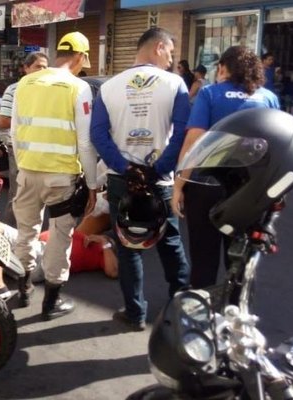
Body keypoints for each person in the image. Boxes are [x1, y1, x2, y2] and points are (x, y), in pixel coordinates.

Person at [90, 27, 191, 331]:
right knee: (171, 242)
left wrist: (125, 167)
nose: (171, 59)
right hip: (160, 181)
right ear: (159, 47)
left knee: (128, 244)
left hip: (123, 180)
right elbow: (183, 132)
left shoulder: (109, 87)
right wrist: (159, 169)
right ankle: (180, 307)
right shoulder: (176, 84)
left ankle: (135, 314)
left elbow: (97, 134)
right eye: (170, 52)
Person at [172, 45, 280, 290]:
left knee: (203, 261)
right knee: (240, 261)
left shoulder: (209, 94)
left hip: (206, 188)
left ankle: (201, 316)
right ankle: (233, 314)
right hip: (249, 192)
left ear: (223, 68)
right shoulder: (269, 98)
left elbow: (194, 141)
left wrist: (179, 185)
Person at [11, 31, 98, 320]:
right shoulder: (78, 87)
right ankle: (52, 302)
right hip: (61, 178)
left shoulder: (25, 83)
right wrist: (92, 184)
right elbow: (84, 142)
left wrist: (25, 164)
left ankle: (23, 289)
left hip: (27, 172)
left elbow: (13, 133)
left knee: (26, 233)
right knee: (60, 238)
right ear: (79, 57)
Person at [0, 52, 49, 226]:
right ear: (26, 68)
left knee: (40, 197)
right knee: (17, 195)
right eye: (38, 66)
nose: (42, 70)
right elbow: (4, 120)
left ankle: (29, 239)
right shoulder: (14, 89)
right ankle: (6, 235)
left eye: (45, 67)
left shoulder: (50, 91)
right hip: (19, 150)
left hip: (43, 151)